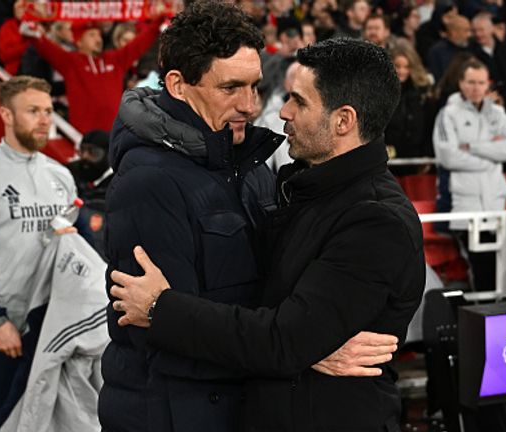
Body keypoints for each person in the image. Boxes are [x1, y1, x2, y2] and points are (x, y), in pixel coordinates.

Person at [100, 3, 399, 431]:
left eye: (255, 86)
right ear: (178, 85)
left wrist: (301, 341)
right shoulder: (148, 183)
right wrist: (304, 352)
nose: (251, 105)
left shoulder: (249, 166)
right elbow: (161, 330)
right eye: (230, 88)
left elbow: (259, 298)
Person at [0, 76, 81, 432]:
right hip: (3, 335)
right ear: (6, 114)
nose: (44, 120)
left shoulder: (62, 177)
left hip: (54, 331)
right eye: (33, 111)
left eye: (49, 111)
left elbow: (70, 249)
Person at [433, 58, 506, 291]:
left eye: (481, 82)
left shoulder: (498, 113)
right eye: (471, 82)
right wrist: (492, 158)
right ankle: (478, 323)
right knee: (479, 272)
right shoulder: (448, 114)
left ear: (488, 83)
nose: (476, 87)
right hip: (465, 206)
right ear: (461, 83)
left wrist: (472, 147)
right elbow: (447, 156)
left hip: (495, 205)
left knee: (501, 274)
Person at [23, 17, 163, 132]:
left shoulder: (115, 59)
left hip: (115, 133)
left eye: (98, 34)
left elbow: (139, 43)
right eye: (92, 35)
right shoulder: (70, 62)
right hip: (84, 137)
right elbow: (44, 46)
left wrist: (159, 20)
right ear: (78, 41)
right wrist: (31, 26)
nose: (98, 39)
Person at [384, 42, 433, 174]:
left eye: (406, 66)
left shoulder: (423, 94)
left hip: (416, 161)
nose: (402, 71)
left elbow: (429, 128)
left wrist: (426, 156)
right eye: (397, 66)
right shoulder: (380, 93)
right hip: (387, 163)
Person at [66, 129, 112, 258]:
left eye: (93, 152)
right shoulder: (69, 173)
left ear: (109, 155)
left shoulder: (120, 185)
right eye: (82, 150)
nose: (85, 157)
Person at [427, 14, 472, 82]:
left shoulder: (472, 47)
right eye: (466, 30)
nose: (469, 35)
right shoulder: (437, 51)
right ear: (453, 32)